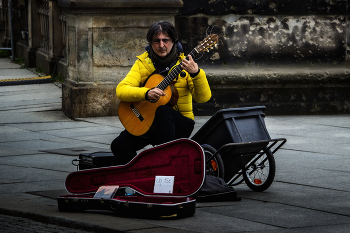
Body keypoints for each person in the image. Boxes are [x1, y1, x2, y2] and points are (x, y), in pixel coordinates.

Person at [111, 21, 211, 165]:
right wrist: (146, 93)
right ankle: (141, 177)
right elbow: (121, 90)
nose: (161, 45)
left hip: (180, 124)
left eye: (166, 40)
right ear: (151, 43)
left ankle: (164, 163)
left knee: (164, 110)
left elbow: (203, 98)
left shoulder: (186, 65)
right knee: (119, 145)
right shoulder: (143, 63)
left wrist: (196, 74)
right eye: (156, 41)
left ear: (173, 42)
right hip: (150, 123)